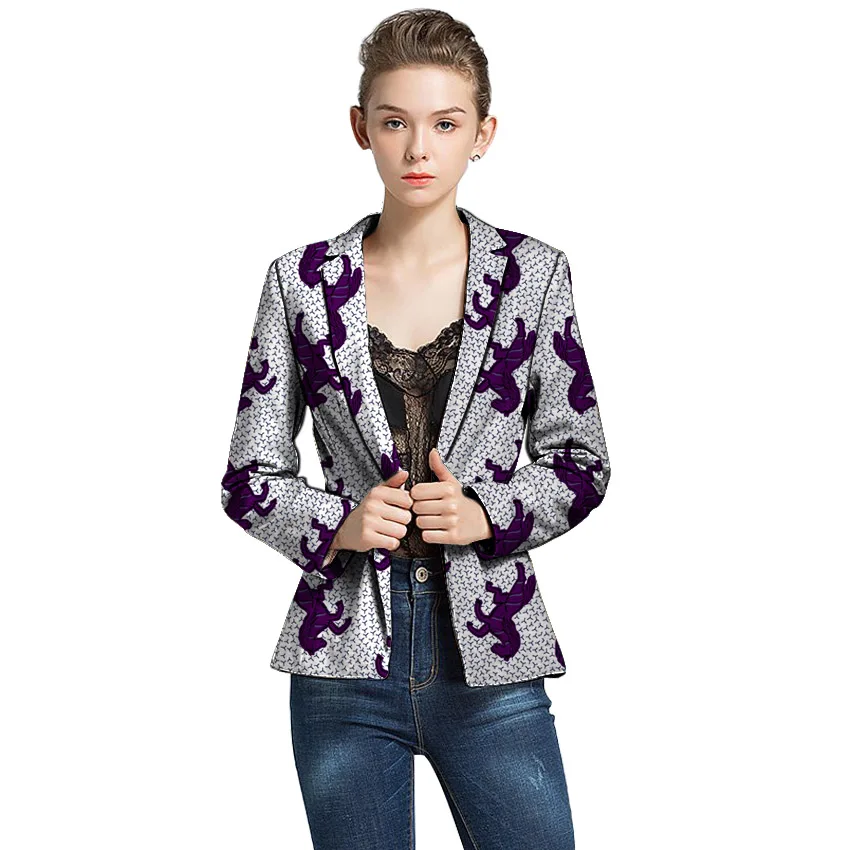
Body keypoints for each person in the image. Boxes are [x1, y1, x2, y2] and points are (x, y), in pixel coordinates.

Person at [221, 10, 611, 849]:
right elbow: (250, 478)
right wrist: (340, 523)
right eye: (395, 122)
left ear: (484, 134)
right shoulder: (299, 282)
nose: (418, 149)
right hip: (343, 659)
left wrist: (487, 513)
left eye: (446, 124)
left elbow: (582, 460)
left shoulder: (534, 275)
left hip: (492, 655)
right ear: (360, 127)